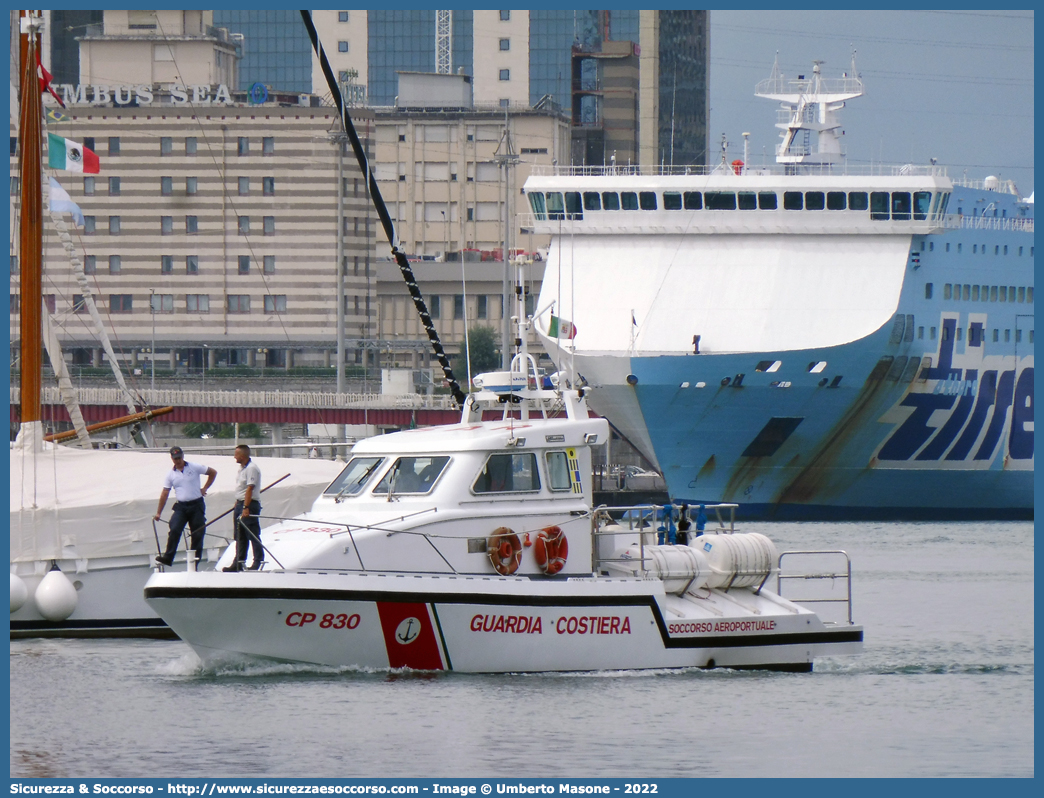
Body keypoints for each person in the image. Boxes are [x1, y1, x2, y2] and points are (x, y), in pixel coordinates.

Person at [154, 446, 217, 568]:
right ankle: (168, 556)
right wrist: (158, 512)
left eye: (179, 457)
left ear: (183, 456)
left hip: (196, 504)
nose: (178, 460)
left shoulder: (194, 467)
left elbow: (212, 472)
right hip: (181, 506)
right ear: (172, 459)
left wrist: (205, 488)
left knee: (197, 534)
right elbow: (165, 493)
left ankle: (195, 563)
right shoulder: (170, 475)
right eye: (175, 458)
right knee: (175, 528)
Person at [224, 444, 263, 572]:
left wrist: (246, 506)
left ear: (242, 455)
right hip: (240, 503)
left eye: (236, 454)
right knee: (240, 535)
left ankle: (258, 561)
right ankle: (238, 562)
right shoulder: (242, 469)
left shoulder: (251, 468)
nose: (234, 457)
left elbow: (249, 488)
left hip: (249, 504)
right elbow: (241, 489)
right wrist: (238, 502)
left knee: (252, 533)